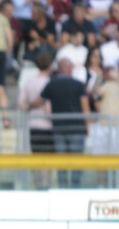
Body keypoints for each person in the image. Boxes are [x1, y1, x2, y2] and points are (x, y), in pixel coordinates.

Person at [32, 58, 90, 186]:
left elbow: (39, 101)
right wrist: (87, 126)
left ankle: (62, 187)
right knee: (77, 161)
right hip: (77, 128)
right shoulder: (78, 84)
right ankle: (75, 187)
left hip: (59, 128)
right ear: (69, 68)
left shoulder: (52, 84)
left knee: (61, 160)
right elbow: (85, 107)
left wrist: (27, 106)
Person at [18, 52, 55, 162]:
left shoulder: (29, 82)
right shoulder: (49, 83)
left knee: (36, 157)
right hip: (47, 125)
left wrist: (29, 108)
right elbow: (48, 107)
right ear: (49, 66)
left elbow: (21, 103)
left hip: (33, 124)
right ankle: (45, 179)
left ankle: (37, 179)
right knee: (48, 159)